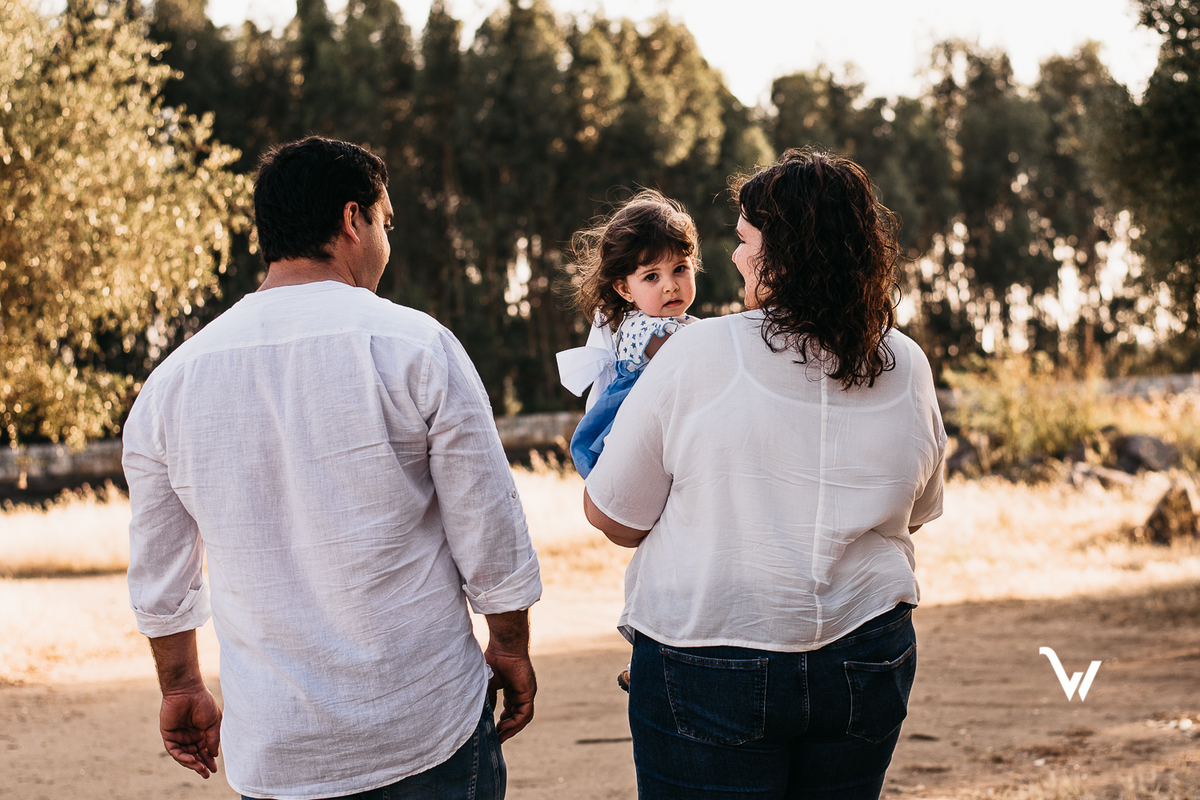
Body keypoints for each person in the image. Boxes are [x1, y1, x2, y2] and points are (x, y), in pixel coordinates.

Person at [123, 136, 542, 800]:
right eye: (387, 222)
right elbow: (488, 527)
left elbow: (160, 572)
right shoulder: (416, 347)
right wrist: (510, 645)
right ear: (354, 220)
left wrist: (180, 685)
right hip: (424, 725)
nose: (387, 243)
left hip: (279, 747)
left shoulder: (171, 384)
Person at [581, 149, 947, 799]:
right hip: (868, 655)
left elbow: (615, 516)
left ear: (780, 255)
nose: (734, 258)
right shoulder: (906, 362)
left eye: (745, 241)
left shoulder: (697, 350)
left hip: (712, 655)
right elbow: (917, 508)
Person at [555, 190, 700, 479]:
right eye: (652, 276)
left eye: (680, 268)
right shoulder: (645, 328)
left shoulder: (678, 322)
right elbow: (694, 355)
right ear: (624, 289)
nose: (670, 285)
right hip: (641, 435)